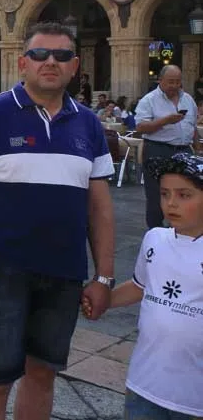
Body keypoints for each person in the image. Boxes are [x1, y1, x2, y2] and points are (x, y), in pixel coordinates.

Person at [0, 22, 116, 420]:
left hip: (64, 271)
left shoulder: (88, 123)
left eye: (61, 55)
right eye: (40, 54)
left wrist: (104, 277)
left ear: (74, 66)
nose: (51, 62)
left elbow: (100, 208)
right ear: (22, 63)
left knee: (43, 374)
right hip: (1, 272)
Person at [82, 152, 202, 420]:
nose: (171, 203)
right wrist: (103, 300)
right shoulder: (154, 239)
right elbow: (140, 286)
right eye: (164, 194)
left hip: (194, 398)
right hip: (144, 385)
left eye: (184, 195)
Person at [135, 64, 199, 229]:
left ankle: (180, 229)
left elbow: (192, 127)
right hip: (158, 149)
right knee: (156, 194)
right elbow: (140, 127)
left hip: (184, 150)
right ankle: (156, 231)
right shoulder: (149, 100)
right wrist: (165, 121)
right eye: (170, 81)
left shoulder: (188, 99)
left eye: (178, 81)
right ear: (160, 80)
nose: (174, 85)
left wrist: (198, 149)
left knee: (185, 191)